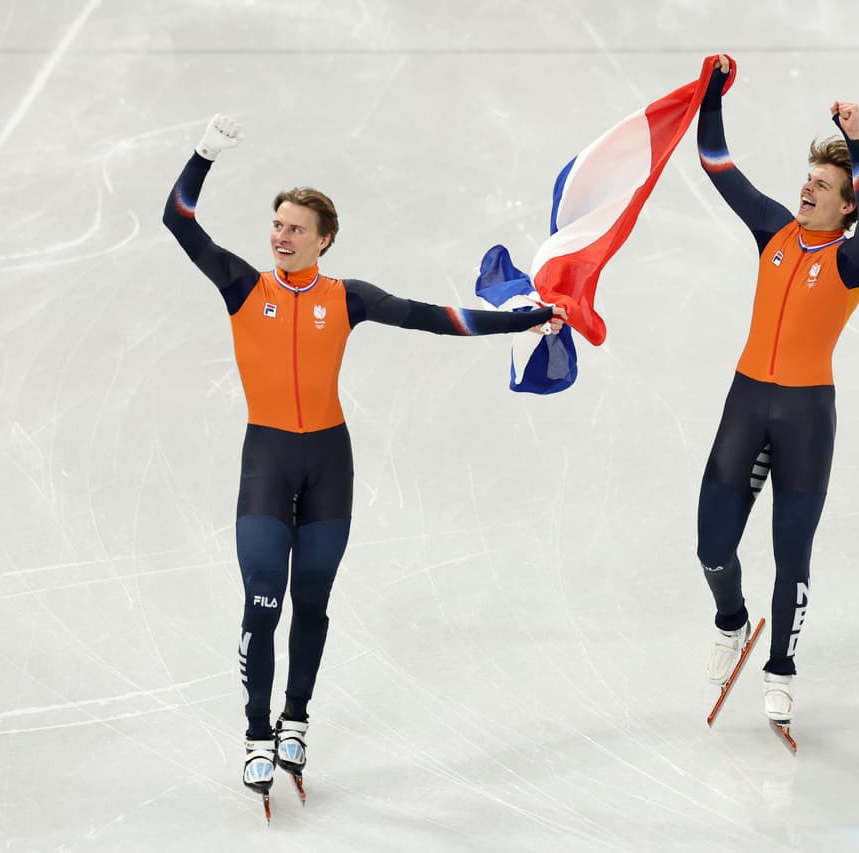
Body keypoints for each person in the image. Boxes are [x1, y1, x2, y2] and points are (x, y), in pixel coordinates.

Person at [162, 115, 566, 803]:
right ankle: (258, 732)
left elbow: (434, 315)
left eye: (295, 228)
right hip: (268, 459)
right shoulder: (242, 287)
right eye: (277, 225)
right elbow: (178, 221)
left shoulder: (345, 298)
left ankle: (296, 720)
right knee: (263, 603)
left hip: (328, 464)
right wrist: (202, 155)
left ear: (323, 239)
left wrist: (522, 319)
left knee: (312, 603)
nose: (280, 236)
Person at [693, 57, 859, 725]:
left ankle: (780, 669)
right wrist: (712, 91)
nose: (807, 190)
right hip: (746, 403)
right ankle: (731, 620)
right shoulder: (772, 229)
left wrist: (857, 144)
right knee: (711, 545)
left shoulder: (852, 259)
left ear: (846, 202)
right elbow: (715, 161)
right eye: (807, 178)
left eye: (823, 184)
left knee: (791, 554)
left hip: (806, 416)